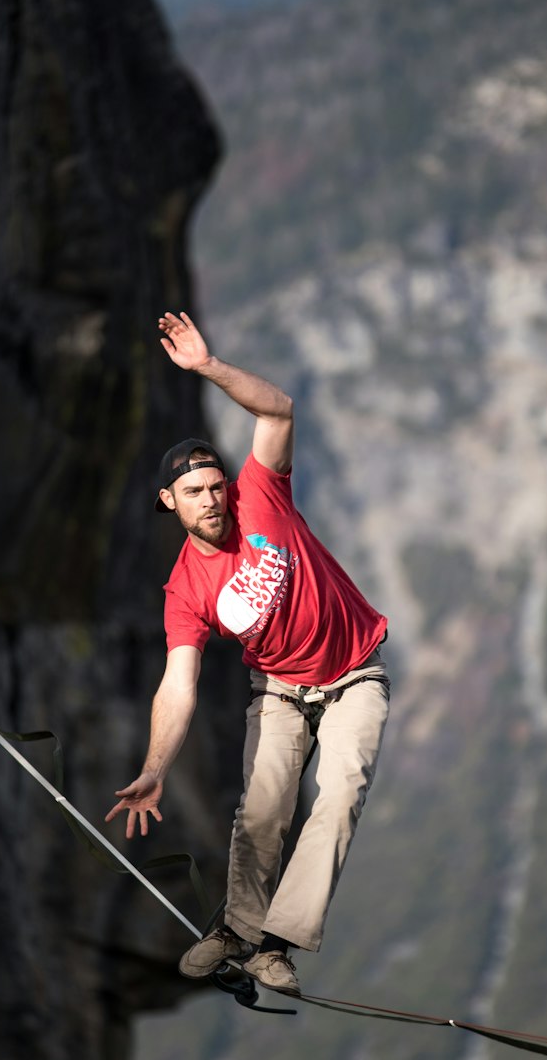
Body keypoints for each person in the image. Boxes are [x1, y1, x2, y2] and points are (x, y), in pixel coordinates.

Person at [105, 311, 389, 995]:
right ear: (168, 502)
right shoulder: (184, 589)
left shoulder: (261, 493)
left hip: (355, 674)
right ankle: (236, 929)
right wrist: (153, 769)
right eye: (194, 493)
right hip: (282, 690)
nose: (212, 500)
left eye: (215, 487)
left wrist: (207, 369)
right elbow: (179, 686)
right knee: (263, 811)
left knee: (341, 791)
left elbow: (279, 409)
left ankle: (278, 944)